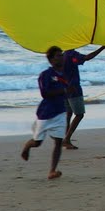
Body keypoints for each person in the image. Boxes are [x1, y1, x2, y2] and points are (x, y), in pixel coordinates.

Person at [20, 46, 73, 179]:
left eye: (62, 55)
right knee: (37, 142)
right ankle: (27, 146)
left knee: (59, 141)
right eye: (58, 56)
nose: (61, 57)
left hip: (60, 111)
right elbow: (45, 93)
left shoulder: (65, 74)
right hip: (46, 113)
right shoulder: (46, 75)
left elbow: (66, 91)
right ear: (51, 59)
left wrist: (68, 93)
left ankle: (52, 171)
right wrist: (63, 92)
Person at [61, 45, 105, 149]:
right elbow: (87, 57)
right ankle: (67, 139)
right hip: (73, 89)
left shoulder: (62, 55)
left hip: (64, 89)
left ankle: (65, 138)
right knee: (79, 114)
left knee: (68, 114)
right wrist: (102, 48)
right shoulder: (71, 54)